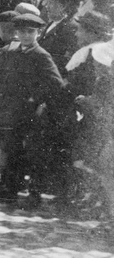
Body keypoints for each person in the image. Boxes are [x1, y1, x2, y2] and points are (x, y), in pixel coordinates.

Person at [0, 13, 65, 206]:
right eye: (22, 32)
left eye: (31, 32)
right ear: (16, 32)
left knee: (22, 150)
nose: (26, 36)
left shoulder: (41, 55)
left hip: (27, 112)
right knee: (9, 146)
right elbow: (0, 81)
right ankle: (7, 186)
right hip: (9, 109)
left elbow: (56, 83)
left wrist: (35, 98)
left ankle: (17, 191)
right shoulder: (12, 52)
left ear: (38, 33)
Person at [67, 11, 114, 215]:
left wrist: (87, 101)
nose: (76, 34)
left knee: (94, 160)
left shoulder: (91, 54)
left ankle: (98, 201)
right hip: (92, 116)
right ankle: (96, 199)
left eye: (80, 29)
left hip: (95, 118)